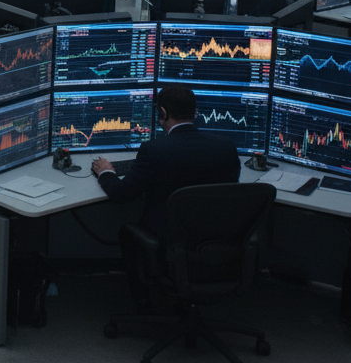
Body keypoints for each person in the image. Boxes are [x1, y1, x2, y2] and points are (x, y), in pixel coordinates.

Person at [90, 86, 241, 309]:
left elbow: (121, 195)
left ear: (162, 113)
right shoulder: (226, 148)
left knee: (127, 231)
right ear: (194, 111)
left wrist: (106, 171)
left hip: (169, 247)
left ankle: (142, 299)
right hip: (217, 246)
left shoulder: (154, 150)